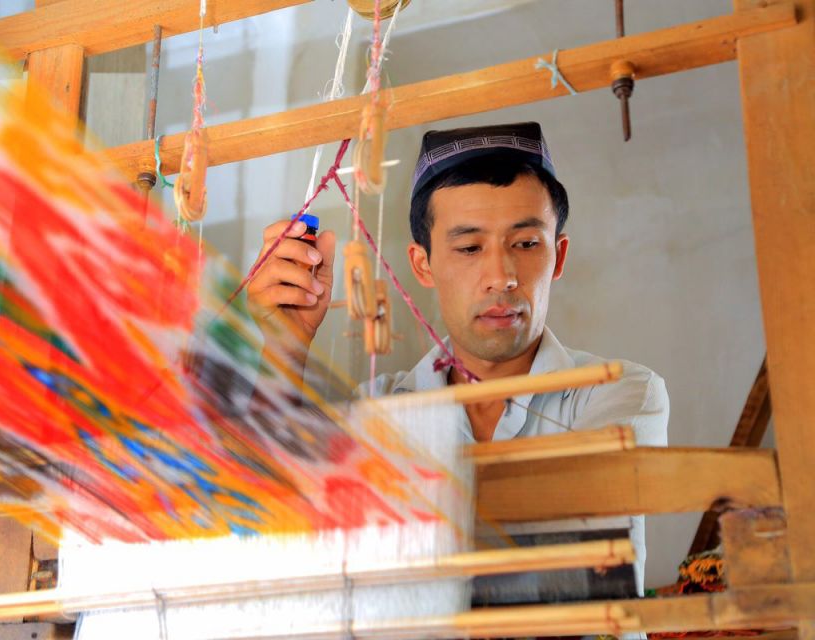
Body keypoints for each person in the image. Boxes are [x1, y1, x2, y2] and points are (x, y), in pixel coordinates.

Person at [245, 121, 668, 596]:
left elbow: (579, 558)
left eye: (526, 244)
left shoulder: (618, 391)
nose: (501, 277)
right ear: (423, 264)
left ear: (558, 255)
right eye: (469, 247)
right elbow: (269, 525)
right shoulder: (378, 411)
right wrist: (285, 343)